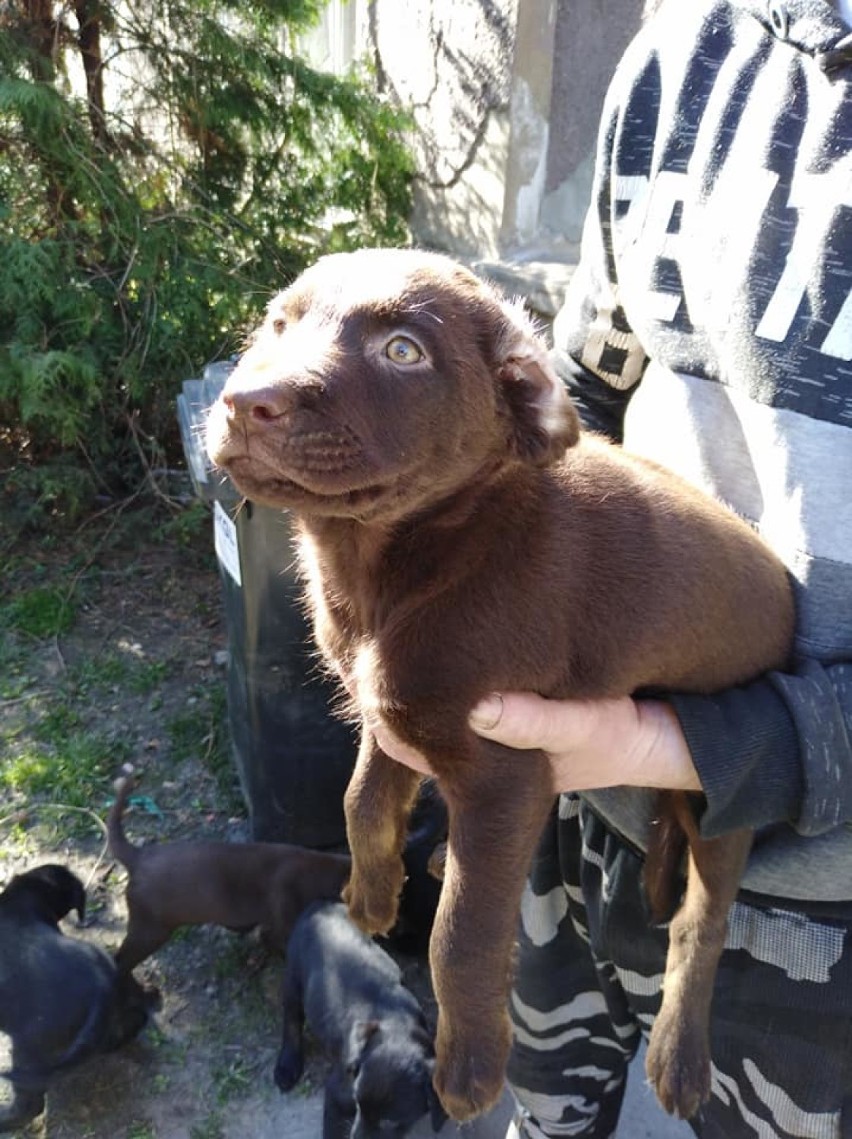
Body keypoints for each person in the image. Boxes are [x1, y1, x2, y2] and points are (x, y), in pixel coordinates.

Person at [376, 0, 852, 1134]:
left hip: (817, 923)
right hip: (571, 826)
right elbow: (585, 399)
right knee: (537, 1111)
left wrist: (675, 744)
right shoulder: (685, 50)